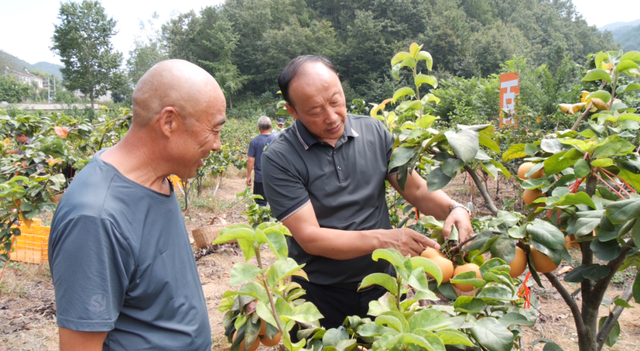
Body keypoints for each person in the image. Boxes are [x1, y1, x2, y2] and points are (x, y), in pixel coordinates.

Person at [261, 55, 473, 329]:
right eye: (314, 110)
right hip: (319, 294)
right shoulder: (280, 158)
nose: (331, 116)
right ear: (293, 111)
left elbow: (417, 188)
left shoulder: (374, 132)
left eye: (336, 101)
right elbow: (310, 237)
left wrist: (453, 208)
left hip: (382, 286)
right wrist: (385, 239)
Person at [48, 59, 226, 351]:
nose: (218, 144)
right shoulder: (96, 219)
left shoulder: (156, 178)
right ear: (169, 122)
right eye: (214, 130)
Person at [246, 116, 276, 206]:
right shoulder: (277, 140)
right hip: (275, 177)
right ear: (271, 126)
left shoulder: (254, 141)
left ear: (259, 127)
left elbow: (251, 160)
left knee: (260, 203)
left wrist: (248, 176)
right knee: (274, 203)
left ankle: (262, 219)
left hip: (260, 178)